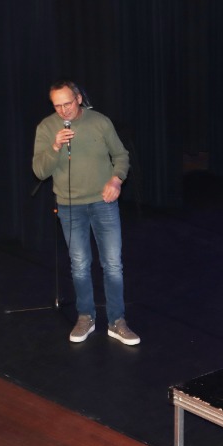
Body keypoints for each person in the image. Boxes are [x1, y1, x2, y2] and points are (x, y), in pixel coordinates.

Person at [32, 81, 139, 346]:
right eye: (57, 106)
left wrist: (116, 180)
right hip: (70, 207)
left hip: (103, 203)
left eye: (67, 103)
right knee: (79, 265)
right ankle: (85, 317)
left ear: (78, 98)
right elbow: (40, 171)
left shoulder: (100, 122)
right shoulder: (47, 128)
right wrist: (55, 147)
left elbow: (121, 156)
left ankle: (117, 321)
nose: (63, 110)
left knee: (112, 264)